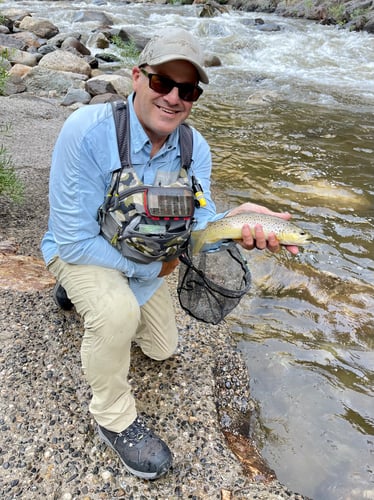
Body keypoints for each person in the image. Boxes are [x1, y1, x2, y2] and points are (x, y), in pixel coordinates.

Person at [41, 27, 298, 481]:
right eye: (163, 82)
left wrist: (235, 226)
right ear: (137, 77)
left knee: (162, 350)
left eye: (188, 89)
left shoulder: (194, 147)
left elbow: (198, 225)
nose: (174, 98)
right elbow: (74, 241)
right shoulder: (85, 131)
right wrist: (156, 266)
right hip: (80, 247)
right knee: (116, 313)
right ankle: (113, 418)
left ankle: (86, 298)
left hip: (144, 254)